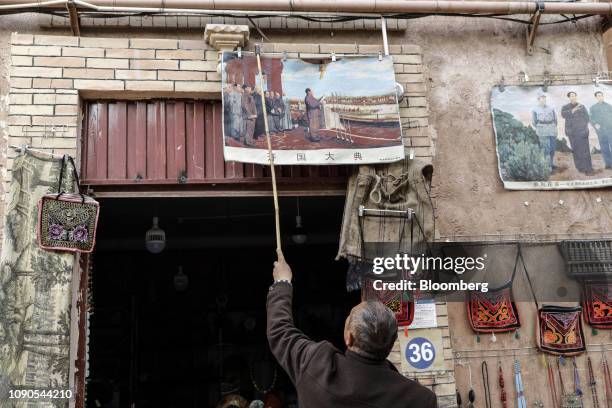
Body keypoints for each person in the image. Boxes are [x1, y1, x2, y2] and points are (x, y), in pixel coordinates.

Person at [267, 252, 437, 408]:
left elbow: (280, 330)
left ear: (348, 337)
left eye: (348, 320)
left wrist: (282, 281)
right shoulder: (420, 399)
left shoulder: (317, 366)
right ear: (391, 343)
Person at [561, 91, 593, 174]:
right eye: (571, 96)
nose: (573, 97)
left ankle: (588, 169)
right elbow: (563, 115)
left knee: (585, 150)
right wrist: (573, 110)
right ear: (569, 97)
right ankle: (580, 168)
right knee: (576, 150)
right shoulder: (565, 107)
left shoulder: (582, 106)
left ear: (576, 97)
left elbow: (587, 118)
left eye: (574, 96)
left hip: (582, 132)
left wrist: (583, 127)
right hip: (572, 133)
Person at [531, 94, 558, 170]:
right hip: (542, 130)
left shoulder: (551, 108)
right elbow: (534, 122)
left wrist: (553, 127)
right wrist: (540, 127)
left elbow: (555, 120)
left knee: (552, 148)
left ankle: (551, 164)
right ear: (538, 100)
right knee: (546, 149)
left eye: (544, 99)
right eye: (541, 99)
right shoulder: (535, 109)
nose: (543, 100)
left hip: (552, 129)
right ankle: (547, 166)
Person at [590, 91, 612, 169]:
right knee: (604, 147)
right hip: (601, 131)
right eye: (598, 96)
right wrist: (595, 124)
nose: (600, 97)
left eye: (601, 96)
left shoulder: (609, 106)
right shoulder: (593, 108)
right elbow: (591, 119)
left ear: (603, 96)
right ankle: (608, 164)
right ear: (596, 97)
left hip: (610, 130)